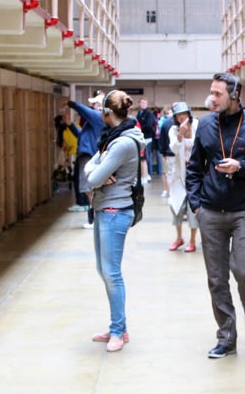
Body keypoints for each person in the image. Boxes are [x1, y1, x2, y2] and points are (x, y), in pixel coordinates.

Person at [186, 73, 245, 359]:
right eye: (211, 92)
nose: (211, 98)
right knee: (216, 279)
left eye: (217, 94)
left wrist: (241, 167)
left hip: (244, 211)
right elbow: (194, 168)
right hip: (210, 211)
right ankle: (226, 337)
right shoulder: (206, 125)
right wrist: (196, 205)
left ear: (234, 95)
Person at [84, 90, 144, 353]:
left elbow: (94, 179)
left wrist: (96, 172)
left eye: (101, 111)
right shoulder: (113, 138)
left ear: (107, 113)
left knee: (111, 274)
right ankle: (118, 325)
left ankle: (118, 331)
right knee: (104, 270)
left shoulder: (121, 144)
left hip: (114, 211)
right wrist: (96, 170)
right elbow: (91, 168)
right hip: (105, 209)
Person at [67, 91, 106, 229]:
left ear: (100, 106)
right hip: (88, 154)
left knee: (88, 187)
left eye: (95, 103)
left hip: (89, 155)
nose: (92, 105)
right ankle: (97, 217)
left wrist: (69, 102)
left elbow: (81, 109)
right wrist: (70, 125)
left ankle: (97, 218)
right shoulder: (94, 121)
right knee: (89, 188)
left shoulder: (97, 116)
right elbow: (82, 136)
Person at [167, 102, 199, 252]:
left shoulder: (198, 126)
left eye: (184, 114)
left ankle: (192, 241)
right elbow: (174, 148)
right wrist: (180, 133)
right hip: (180, 174)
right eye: (178, 115)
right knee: (177, 206)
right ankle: (179, 238)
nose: (182, 117)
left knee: (193, 208)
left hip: (195, 174)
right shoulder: (173, 130)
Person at [135, 97, 156, 183]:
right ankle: (146, 175)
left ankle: (145, 176)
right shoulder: (139, 114)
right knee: (143, 158)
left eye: (145, 103)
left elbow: (149, 125)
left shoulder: (149, 114)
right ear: (139, 104)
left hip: (147, 138)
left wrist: (139, 128)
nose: (144, 105)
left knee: (144, 158)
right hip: (141, 137)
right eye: (142, 103)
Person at [157, 106, 174, 198]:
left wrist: (163, 153)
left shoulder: (165, 123)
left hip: (168, 153)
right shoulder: (182, 122)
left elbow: (161, 140)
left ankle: (170, 197)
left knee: (169, 174)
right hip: (180, 154)